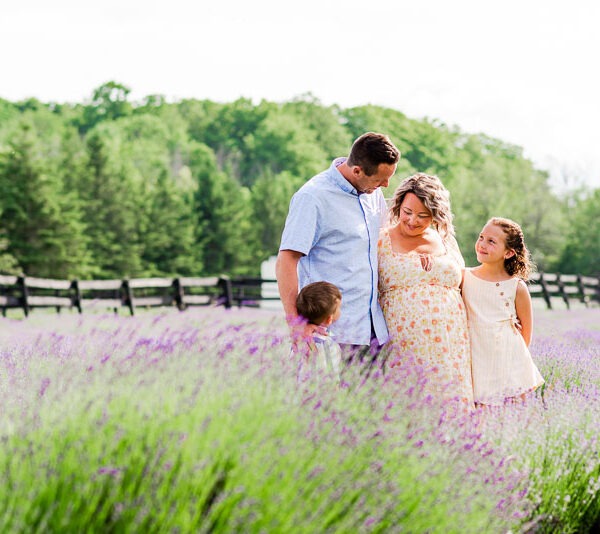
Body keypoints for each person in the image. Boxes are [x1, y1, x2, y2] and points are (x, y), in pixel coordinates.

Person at [276, 132, 400, 364]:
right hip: (331, 333)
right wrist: (296, 324)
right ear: (357, 171)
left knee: (372, 401)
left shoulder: (372, 194)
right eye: (380, 179)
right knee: (329, 401)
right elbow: (286, 260)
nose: (385, 185)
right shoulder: (312, 197)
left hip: (373, 330)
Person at [378, 173, 473, 406]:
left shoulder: (445, 240)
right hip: (403, 345)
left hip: (451, 345)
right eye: (407, 212)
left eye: (423, 216)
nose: (412, 220)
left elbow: (467, 284)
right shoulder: (380, 240)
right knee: (409, 408)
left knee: (452, 409)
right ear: (398, 205)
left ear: (436, 215)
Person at [461, 217, 544, 406]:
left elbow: (526, 335)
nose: (482, 244)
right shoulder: (464, 276)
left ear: (508, 253)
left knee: (509, 420)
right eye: (481, 237)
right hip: (476, 361)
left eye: (491, 241)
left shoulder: (516, 287)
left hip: (508, 363)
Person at [295, 281, 343, 381]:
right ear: (329, 319)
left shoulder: (298, 339)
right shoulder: (327, 344)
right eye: (339, 308)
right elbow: (331, 375)